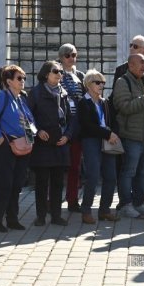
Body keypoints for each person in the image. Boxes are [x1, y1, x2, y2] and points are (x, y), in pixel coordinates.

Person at [0, 65, 34, 232]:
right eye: (19, 78)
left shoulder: (21, 99)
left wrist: (31, 136)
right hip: (6, 147)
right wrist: (0, 139)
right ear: (8, 81)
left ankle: (12, 219)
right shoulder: (1, 96)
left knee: (17, 184)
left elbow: (29, 121)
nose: (23, 81)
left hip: (23, 147)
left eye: (24, 78)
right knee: (4, 184)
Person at [28, 60, 78, 226]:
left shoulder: (64, 93)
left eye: (61, 72)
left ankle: (56, 216)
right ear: (46, 74)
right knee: (42, 183)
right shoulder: (35, 93)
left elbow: (72, 119)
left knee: (58, 183)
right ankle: (41, 216)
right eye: (56, 71)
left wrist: (68, 136)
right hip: (43, 145)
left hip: (60, 144)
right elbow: (28, 118)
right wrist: (37, 131)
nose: (60, 74)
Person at [112, 52, 144, 219]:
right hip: (132, 136)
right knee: (129, 171)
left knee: (142, 172)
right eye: (141, 63)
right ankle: (126, 204)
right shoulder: (122, 82)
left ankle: (139, 204)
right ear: (130, 65)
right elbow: (124, 107)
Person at [76, 69, 118, 224]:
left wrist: (113, 133)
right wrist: (107, 133)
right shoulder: (83, 102)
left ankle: (105, 210)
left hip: (107, 141)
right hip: (91, 141)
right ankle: (86, 210)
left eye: (103, 83)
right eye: (97, 82)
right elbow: (87, 125)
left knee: (111, 177)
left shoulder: (105, 102)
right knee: (92, 176)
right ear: (88, 84)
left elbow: (112, 121)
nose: (101, 85)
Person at [58, 44, 85, 213]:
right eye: (68, 55)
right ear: (61, 57)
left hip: (77, 127)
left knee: (75, 165)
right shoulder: (56, 74)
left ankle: (73, 199)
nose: (71, 58)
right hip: (61, 126)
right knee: (57, 166)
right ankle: (51, 199)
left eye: (74, 54)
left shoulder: (80, 76)